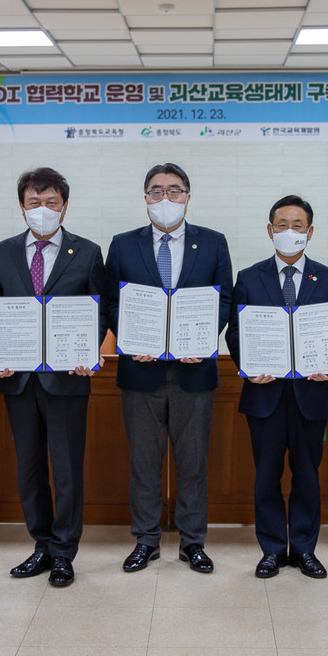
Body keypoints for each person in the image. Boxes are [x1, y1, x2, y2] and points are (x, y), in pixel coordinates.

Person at [104, 163, 233, 575]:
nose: (165, 199)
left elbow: (225, 299)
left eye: (174, 191)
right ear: (145, 199)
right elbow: (110, 301)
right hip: (140, 372)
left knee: (192, 463)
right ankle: (145, 540)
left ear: (188, 197)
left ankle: (193, 542)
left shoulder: (212, 243)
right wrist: (132, 338)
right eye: (156, 191)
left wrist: (200, 339)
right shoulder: (123, 244)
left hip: (194, 372)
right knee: (144, 462)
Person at [0, 167, 107, 588]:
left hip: (67, 379)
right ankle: (40, 543)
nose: (42, 210)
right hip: (17, 379)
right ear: (22, 206)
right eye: (34, 203)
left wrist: (87, 351)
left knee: (67, 468)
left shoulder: (88, 252)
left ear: (65, 205)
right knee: (29, 468)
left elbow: (99, 309)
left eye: (51, 202)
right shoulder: (1, 252)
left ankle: (64, 551)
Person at [226, 195, 328, 579]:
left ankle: (306, 549)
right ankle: (273, 550)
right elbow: (235, 333)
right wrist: (248, 367)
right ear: (269, 230)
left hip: (312, 395)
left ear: (310, 232)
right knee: (267, 477)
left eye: (297, 225)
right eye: (282, 224)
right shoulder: (249, 277)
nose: (289, 231)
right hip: (265, 395)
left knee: (308, 476)